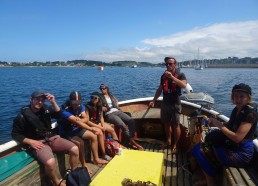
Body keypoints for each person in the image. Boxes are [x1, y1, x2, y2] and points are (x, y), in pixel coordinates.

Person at [191, 83, 257, 186]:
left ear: (248, 98)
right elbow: (231, 125)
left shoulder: (250, 115)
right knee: (202, 148)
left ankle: (210, 181)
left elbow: (237, 138)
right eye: (236, 96)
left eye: (242, 96)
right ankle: (210, 175)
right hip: (232, 147)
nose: (238, 99)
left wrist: (219, 125)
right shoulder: (237, 110)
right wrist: (217, 123)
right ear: (233, 98)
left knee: (199, 151)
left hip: (241, 154)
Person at [12, 90, 79, 186]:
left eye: (42, 100)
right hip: (38, 142)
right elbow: (15, 134)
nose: (40, 102)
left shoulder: (46, 109)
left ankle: (74, 175)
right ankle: (57, 182)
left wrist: (53, 102)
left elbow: (59, 115)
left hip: (51, 138)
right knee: (50, 162)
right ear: (31, 100)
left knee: (75, 149)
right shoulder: (22, 116)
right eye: (37, 99)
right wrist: (30, 142)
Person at [57, 91, 110, 167]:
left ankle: (96, 158)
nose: (76, 104)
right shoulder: (65, 109)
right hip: (67, 131)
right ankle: (84, 164)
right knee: (80, 142)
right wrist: (90, 128)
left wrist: (78, 120)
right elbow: (77, 122)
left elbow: (86, 119)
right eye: (74, 102)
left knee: (94, 136)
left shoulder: (80, 106)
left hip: (76, 128)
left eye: (78, 102)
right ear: (70, 101)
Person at [149, 56, 187, 153]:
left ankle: (175, 144)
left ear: (175, 64)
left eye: (170, 63)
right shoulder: (163, 76)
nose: (168, 65)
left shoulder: (181, 75)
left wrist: (172, 77)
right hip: (165, 103)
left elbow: (184, 85)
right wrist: (154, 100)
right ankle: (168, 140)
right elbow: (160, 89)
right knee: (166, 124)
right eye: (167, 64)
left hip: (175, 104)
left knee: (176, 125)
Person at [99, 84, 144, 150]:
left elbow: (116, 100)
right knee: (123, 126)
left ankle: (130, 138)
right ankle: (134, 143)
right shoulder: (100, 97)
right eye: (101, 89)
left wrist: (117, 105)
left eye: (104, 88)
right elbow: (96, 104)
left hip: (117, 111)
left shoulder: (110, 95)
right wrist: (101, 107)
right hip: (110, 114)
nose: (102, 90)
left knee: (131, 121)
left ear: (107, 88)